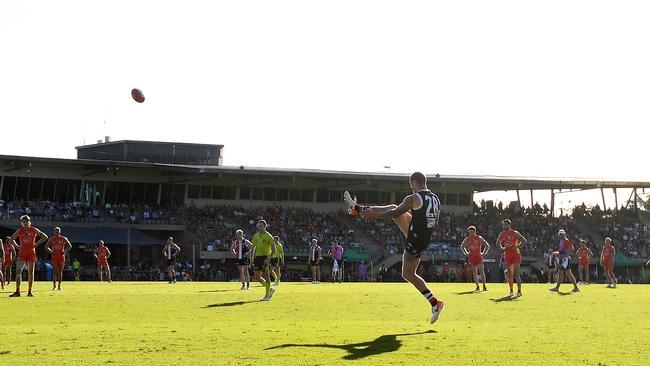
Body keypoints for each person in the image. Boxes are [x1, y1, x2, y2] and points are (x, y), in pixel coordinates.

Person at [345, 171, 445, 324]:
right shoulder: (435, 198)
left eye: (410, 184)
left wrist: (373, 215)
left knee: (408, 274)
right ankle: (358, 208)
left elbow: (394, 213)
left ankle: (435, 303)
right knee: (395, 208)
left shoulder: (413, 198)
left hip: (415, 239)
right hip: (424, 236)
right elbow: (428, 218)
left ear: (413, 183)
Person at [9, 215, 49, 297]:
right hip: (22, 253)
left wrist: (36, 244)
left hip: (31, 252)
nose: (25, 223)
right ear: (22, 223)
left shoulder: (33, 229)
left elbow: (45, 237)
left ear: (29, 222)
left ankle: (30, 292)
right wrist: (17, 246)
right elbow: (11, 239)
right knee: (18, 272)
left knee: (31, 273)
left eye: (26, 221)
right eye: (23, 222)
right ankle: (17, 291)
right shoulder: (20, 230)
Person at [497, 219, 527, 297]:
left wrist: (517, 246)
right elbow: (497, 243)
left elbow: (524, 241)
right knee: (510, 274)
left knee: (516, 273)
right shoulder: (501, 234)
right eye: (503, 224)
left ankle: (519, 291)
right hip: (507, 255)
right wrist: (502, 248)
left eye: (505, 224)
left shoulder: (515, 233)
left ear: (509, 225)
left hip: (516, 254)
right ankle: (511, 291)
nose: (504, 226)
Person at [251, 220, 276, 301]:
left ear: (265, 227)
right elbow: (253, 248)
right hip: (257, 258)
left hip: (265, 257)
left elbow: (274, 250)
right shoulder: (256, 236)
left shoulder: (269, 236)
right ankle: (269, 289)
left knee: (266, 275)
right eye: (259, 226)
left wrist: (268, 258)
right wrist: (252, 258)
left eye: (262, 226)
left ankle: (267, 296)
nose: (260, 227)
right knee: (257, 276)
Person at [460, 226, 490, 292]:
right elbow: (462, 246)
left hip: (479, 257)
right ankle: (477, 286)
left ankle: (484, 286)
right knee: (474, 272)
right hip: (471, 257)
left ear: (475, 231)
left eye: (472, 232)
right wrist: (466, 253)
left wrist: (483, 253)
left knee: (482, 272)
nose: (471, 233)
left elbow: (487, 245)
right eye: (469, 232)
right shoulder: (467, 239)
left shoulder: (479, 238)